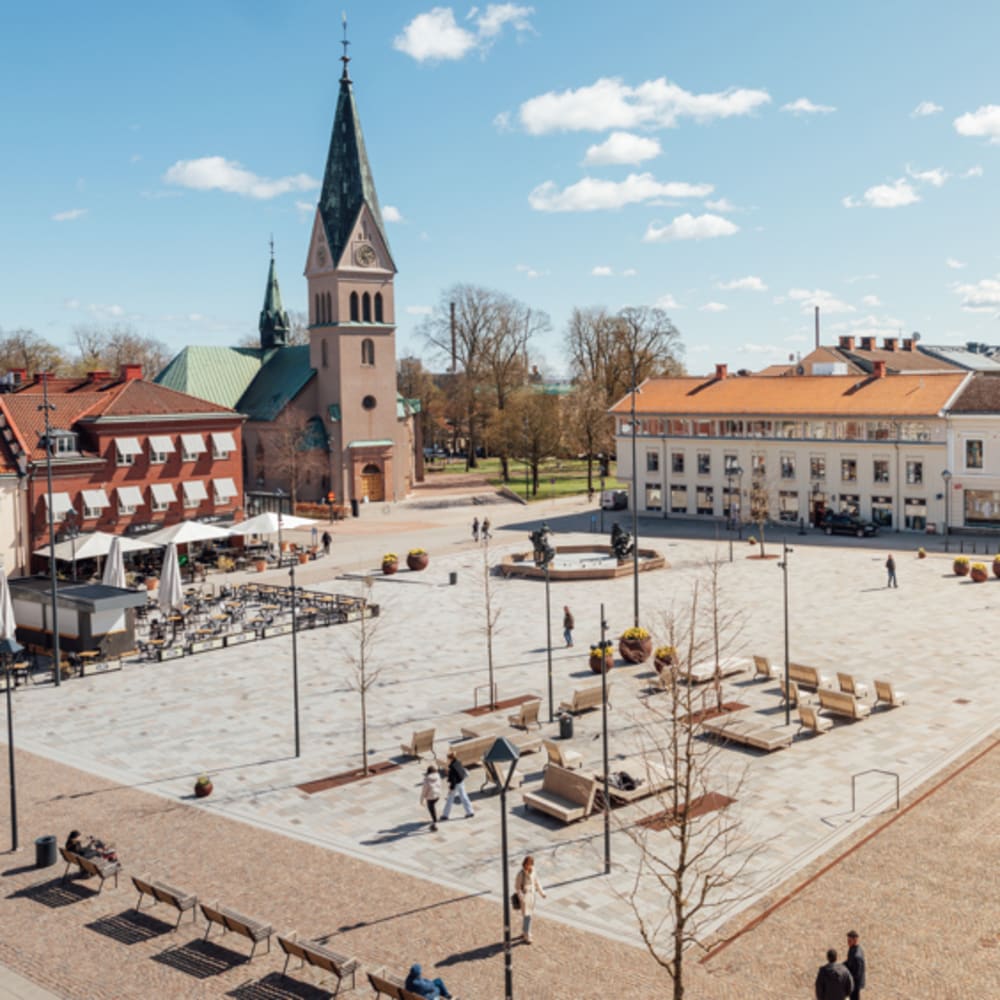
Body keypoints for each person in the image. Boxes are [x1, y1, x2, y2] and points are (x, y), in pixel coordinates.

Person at [514, 855, 546, 944]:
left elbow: (537, 882)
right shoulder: (521, 874)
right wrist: (522, 898)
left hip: (532, 896)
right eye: (528, 863)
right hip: (525, 897)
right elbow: (517, 887)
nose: (529, 865)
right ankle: (527, 935)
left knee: (528, 915)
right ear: (524, 864)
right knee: (528, 916)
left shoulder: (533, 871)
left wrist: (542, 893)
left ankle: (524, 932)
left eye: (531, 863)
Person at [440, 750, 474, 820]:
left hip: (456, 784)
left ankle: (445, 815)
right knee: (464, 797)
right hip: (461, 782)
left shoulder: (452, 767)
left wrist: (451, 788)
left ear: (450, 758)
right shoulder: (458, 762)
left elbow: (453, 780)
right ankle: (470, 812)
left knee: (449, 799)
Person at [420, 765, 442, 832]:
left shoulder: (427, 780)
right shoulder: (438, 776)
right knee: (433, 807)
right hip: (437, 795)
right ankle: (434, 822)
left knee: (432, 810)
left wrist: (421, 800)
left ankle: (434, 824)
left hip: (430, 797)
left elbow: (424, 791)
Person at [845, 930, 866, 1000]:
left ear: (855, 940)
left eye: (849, 941)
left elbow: (857, 974)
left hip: (855, 983)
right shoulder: (852, 949)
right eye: (848, 940)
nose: (848, 943)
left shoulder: (857, 956)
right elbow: (848, 962)